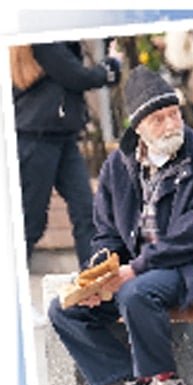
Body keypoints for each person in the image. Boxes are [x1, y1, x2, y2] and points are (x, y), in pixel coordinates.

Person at [46, 66, 193, 385]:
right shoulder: (118, 166)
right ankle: (140, 381)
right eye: (158, 118)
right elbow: (105, 233)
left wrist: (134, 269)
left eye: (174, 113)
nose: (170, 124)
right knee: (63, 309)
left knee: (135, 293)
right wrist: (97, 276)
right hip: (139, 269)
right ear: (139, 128)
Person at [13, 40, 121, 266]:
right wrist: (110, 67)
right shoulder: (43, 39)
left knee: (87, 212)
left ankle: (93, 284)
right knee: (30, 223)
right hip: (35, 138)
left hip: (62, 137)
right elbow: (76, 76)